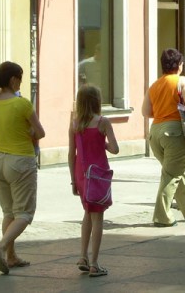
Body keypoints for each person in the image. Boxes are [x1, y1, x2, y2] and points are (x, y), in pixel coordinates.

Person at [0, 61, 45, 274]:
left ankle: (10, 257)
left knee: (8, 212)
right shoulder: (22, 104)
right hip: (20, 161)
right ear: (13, 80)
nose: (21, 83)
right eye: (20, 79)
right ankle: (1, 246)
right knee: (24, 214)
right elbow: (40, 132)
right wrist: (28, 132)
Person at [142, 48, 185, 227]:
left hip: (155, 133)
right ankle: (162, 217)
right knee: (171, 174)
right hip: (175, 131)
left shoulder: (154, 85)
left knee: (174, 170)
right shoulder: (182, 81)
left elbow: (146, 112)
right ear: (180, 65)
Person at [68, 85, 120, 277]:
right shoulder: (103, 122)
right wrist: (102, 143)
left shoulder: (75, 124)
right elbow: (115, 149)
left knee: (87, 213)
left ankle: (83, 256)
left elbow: (71, 154)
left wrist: (73, 180)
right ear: (97, 101)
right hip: (98, 175)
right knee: (97, 217)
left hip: (81, 174)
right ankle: (94, 263)